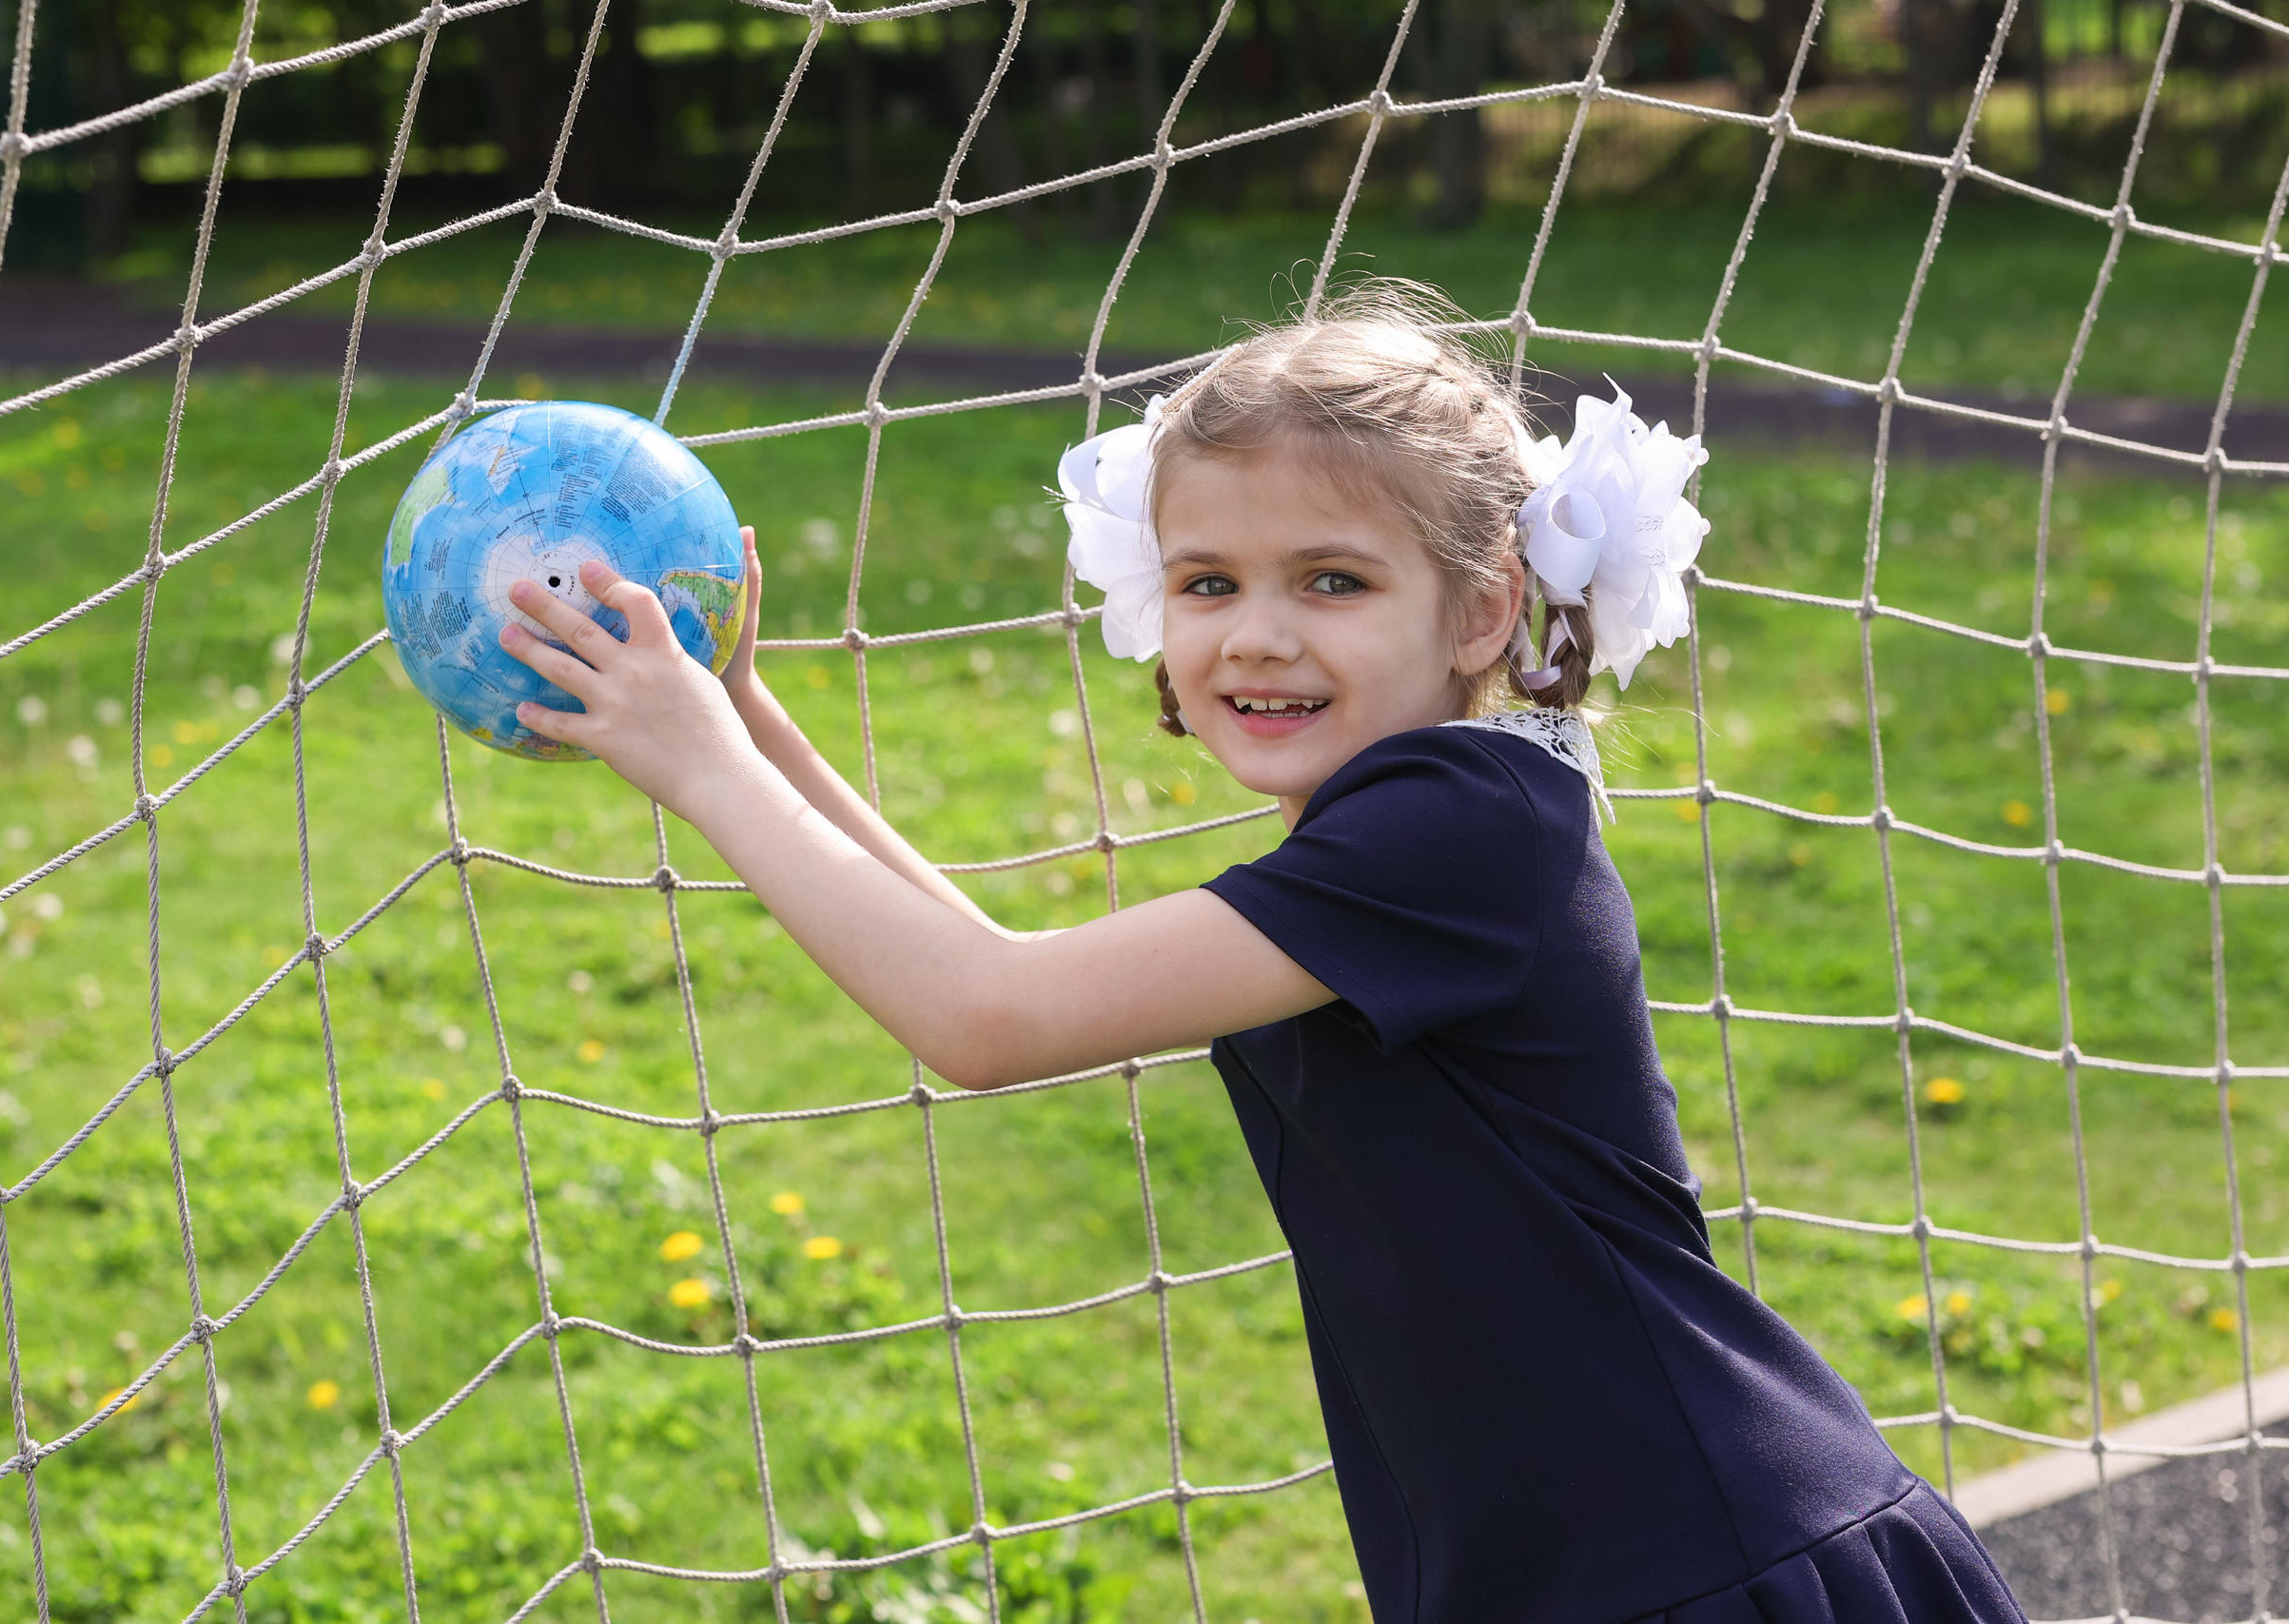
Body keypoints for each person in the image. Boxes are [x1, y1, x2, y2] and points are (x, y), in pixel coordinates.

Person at [492, 284, 2027, 1622]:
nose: (1257, 634)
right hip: (1591, 1558)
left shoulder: (1460, 828)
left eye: (1333, 580)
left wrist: (698, 763)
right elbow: (992, 960)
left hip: (1705, 1563)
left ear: (1483, 609)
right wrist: (748, 721)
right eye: (1209, 583)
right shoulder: (1419, 823)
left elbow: (985, 1018)